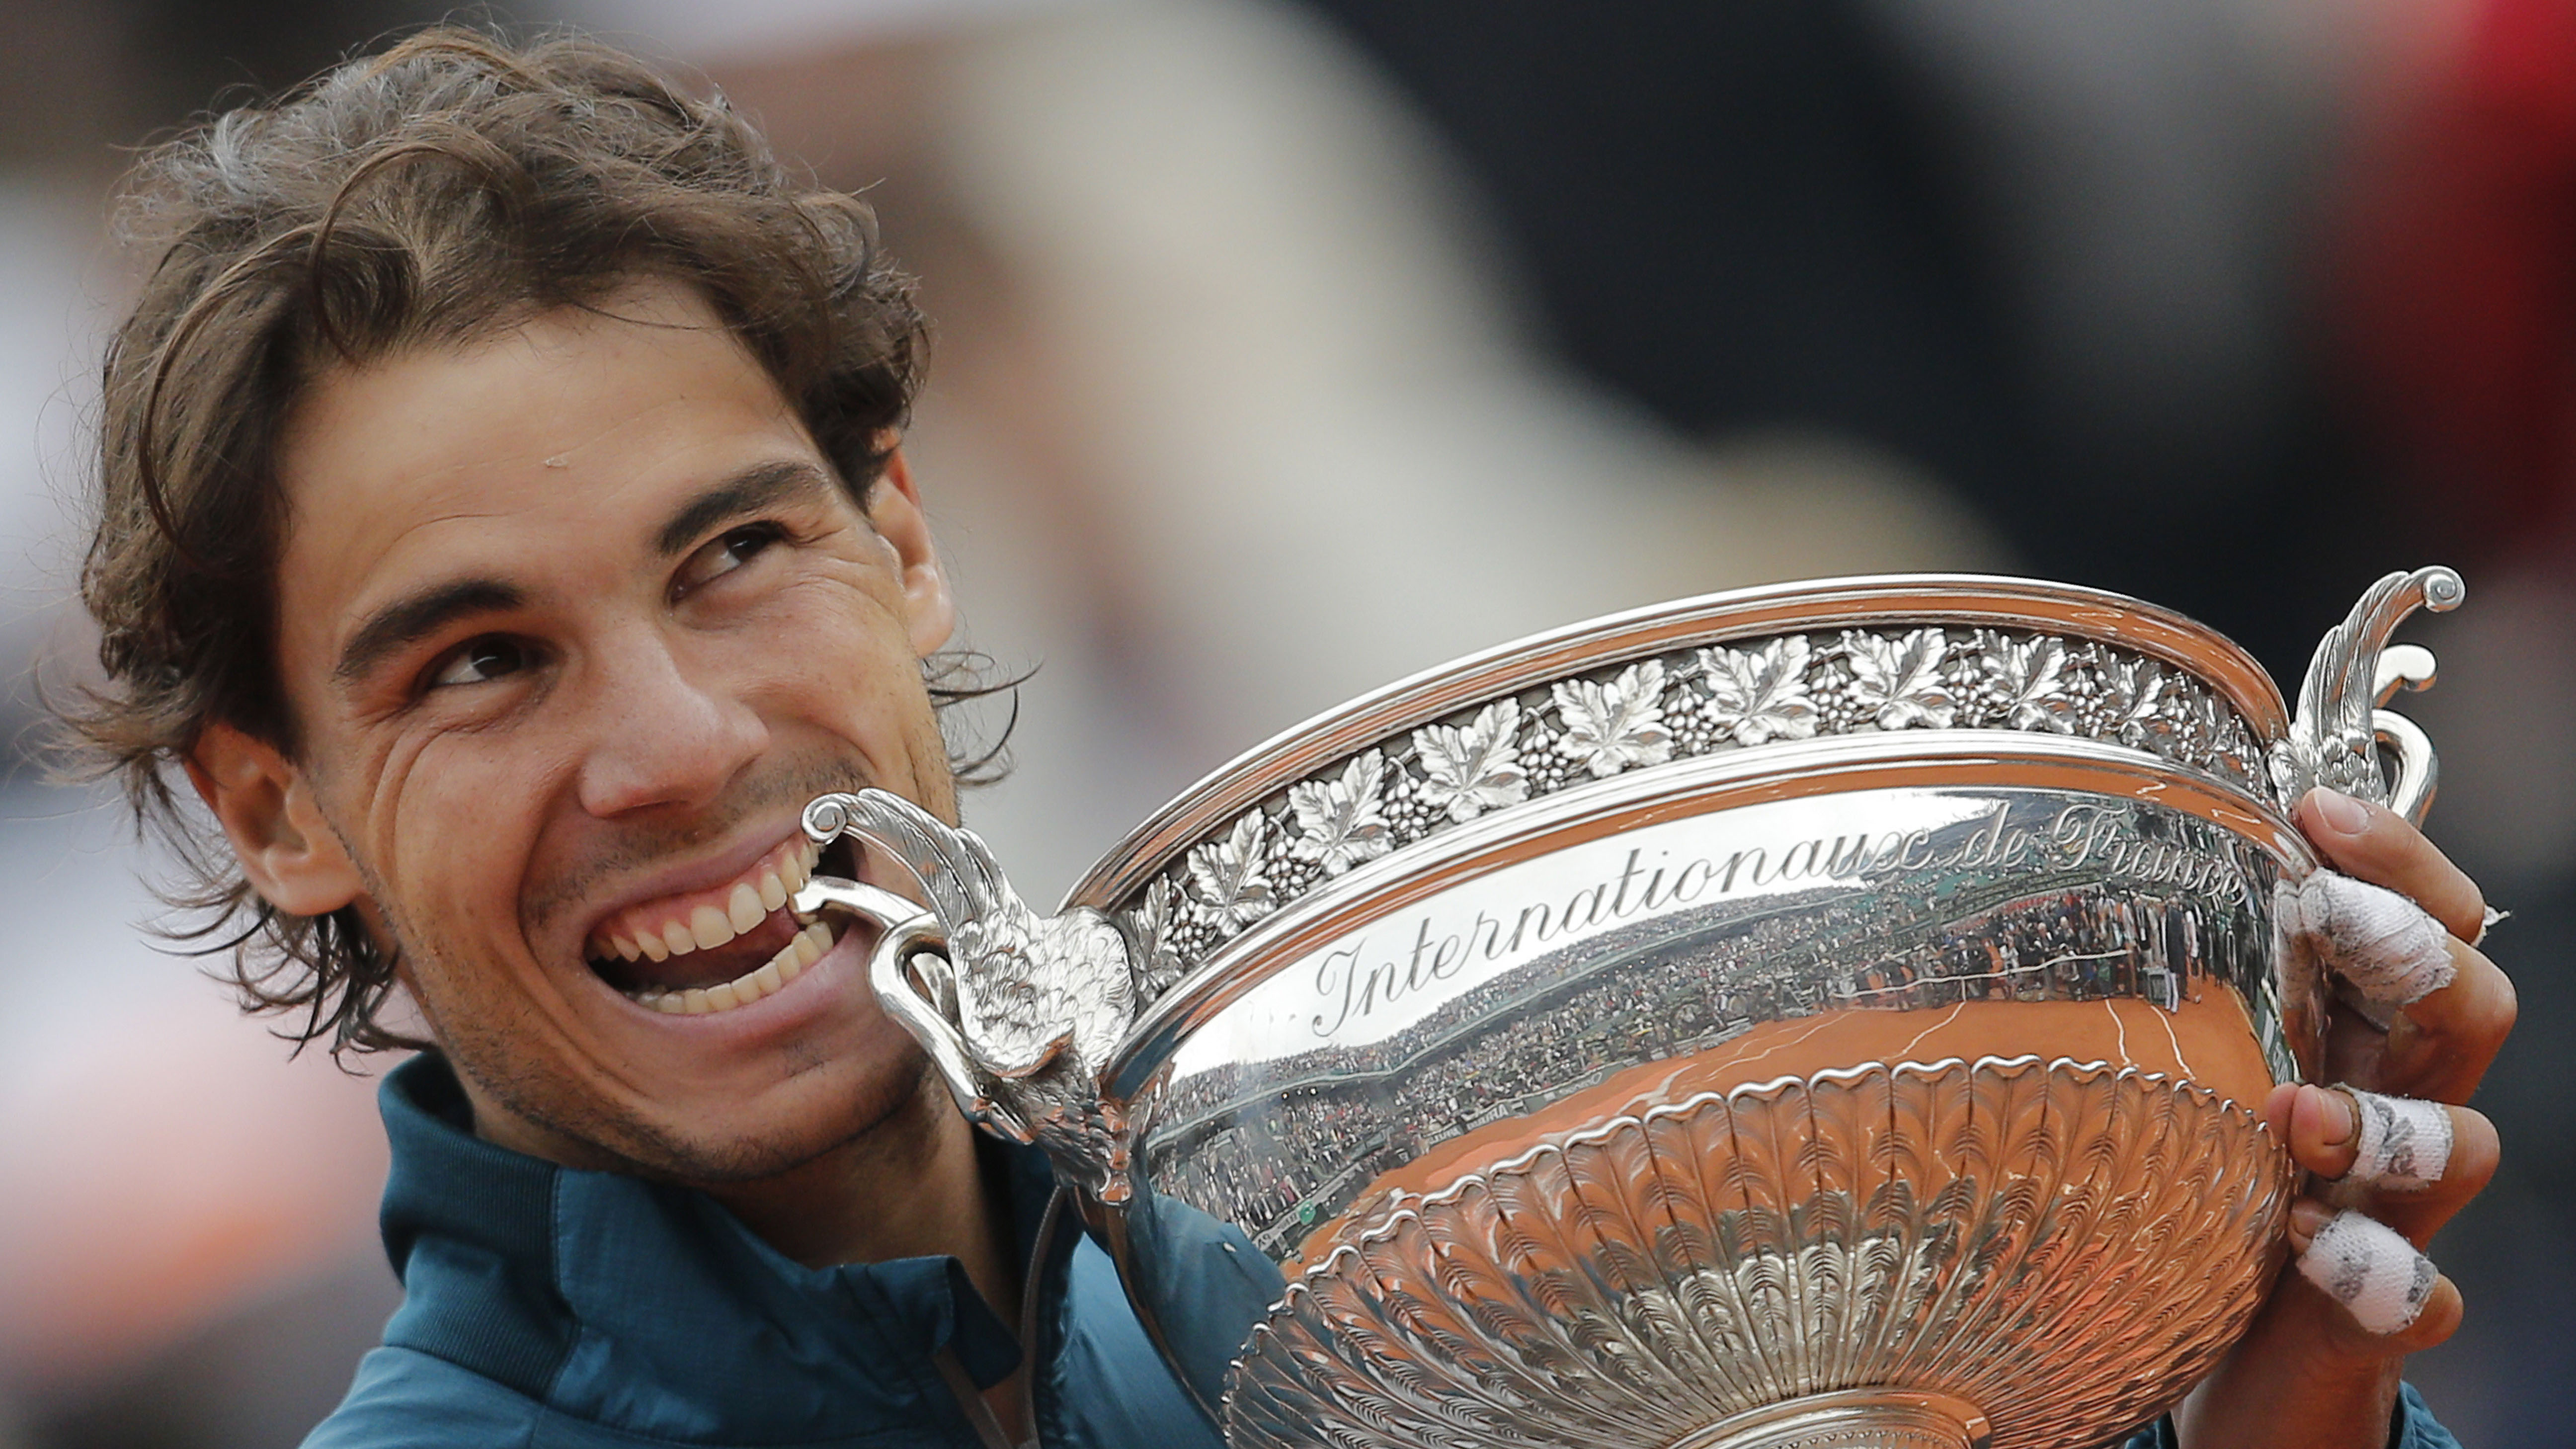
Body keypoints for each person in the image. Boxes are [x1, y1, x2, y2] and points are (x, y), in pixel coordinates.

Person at [58, 25, 2510, 1449]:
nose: (678, 744)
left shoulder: (1306, 1286)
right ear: (272, 811)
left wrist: (2252, 1388)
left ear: (903, 536)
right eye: (477, 660)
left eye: (733, 556)